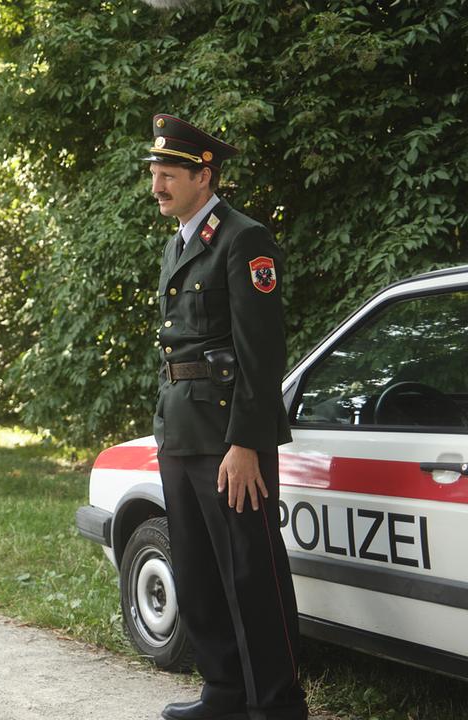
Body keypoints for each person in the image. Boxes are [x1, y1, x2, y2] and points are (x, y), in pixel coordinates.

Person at [146, 115, 308, 720]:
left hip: (228, 439)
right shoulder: (178, 241)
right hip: (182, 432)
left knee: (250, 574)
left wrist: (246, 442)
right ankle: (224, 691)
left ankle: (277, 705)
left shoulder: (244, 239)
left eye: (169, 174)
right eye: (155, 173)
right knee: (199, 571)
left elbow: (261, 356)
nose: (157, 185)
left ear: (203, 174)